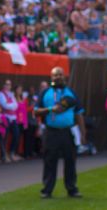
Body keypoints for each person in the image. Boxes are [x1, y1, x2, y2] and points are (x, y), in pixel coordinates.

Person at [36, 66, 83, 198]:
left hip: (68, 132)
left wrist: (83, 134)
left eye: (60, 75)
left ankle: (72, 189)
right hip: (51, 132)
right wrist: (51, 109)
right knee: (49, 161)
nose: (58, 77)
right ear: (51, 78)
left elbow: (79, 114)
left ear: (64, 76)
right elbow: (35, 111)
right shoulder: (45, 93)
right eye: (55, 75)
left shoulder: (71, 92)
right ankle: (47, 190)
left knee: (70, 161)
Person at [0, 80, 21, 162]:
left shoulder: (11, 95)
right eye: (6, 84)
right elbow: (4, 105)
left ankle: (12, 152)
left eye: (9, 85)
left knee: (16, 134)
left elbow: (16, 105)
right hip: (5, 117)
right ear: (4, 85)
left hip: (13, 117)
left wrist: (11, 105)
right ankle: (3, 155)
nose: (8, 86)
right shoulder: (1, 94)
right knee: (4, 137)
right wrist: (11, 105)